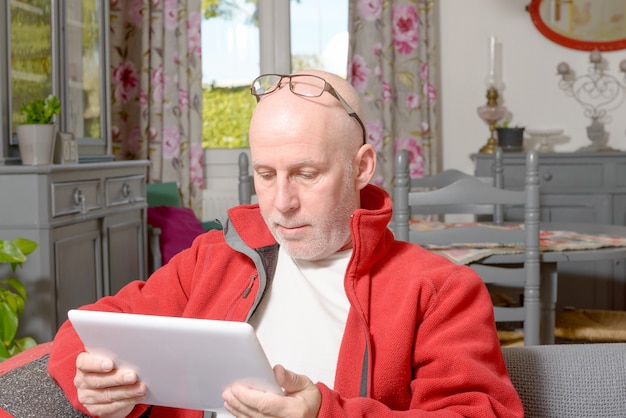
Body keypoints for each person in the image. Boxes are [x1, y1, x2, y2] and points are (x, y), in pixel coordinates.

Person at [47, 70, 523, 418]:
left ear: (361, 167)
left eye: (306, 174)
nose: (281, 204)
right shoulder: (213, 257)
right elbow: (86, 332)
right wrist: (98, 387)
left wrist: (324, 413)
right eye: (265, 175)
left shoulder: (441, 290)